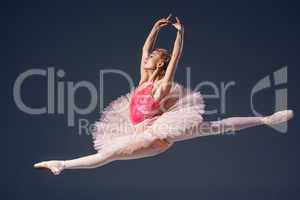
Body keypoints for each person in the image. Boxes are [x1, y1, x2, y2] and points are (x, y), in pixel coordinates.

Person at [34, 15, 294, 175]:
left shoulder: (162, 86)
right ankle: (266, 120)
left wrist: (180, 35)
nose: (146, 59)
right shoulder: (142, 80)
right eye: (147, 57)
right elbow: (143, 49)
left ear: (158, 65)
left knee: (109, 155)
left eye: (151, 58)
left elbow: (175, 59)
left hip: (157, 136)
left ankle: (62, 164)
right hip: (139, 131)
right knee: (213, 127)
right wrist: (154, 29)